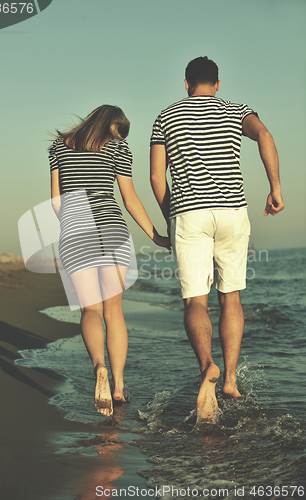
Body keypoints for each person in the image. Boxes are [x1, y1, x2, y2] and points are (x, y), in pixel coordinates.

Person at [150, 56, 284, 423]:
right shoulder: (237, 110)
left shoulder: (165, 117)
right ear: (218, 83)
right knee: (231, 297)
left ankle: (206, 365)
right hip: (232, 211)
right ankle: (230, 379)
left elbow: (157, 178)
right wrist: (275, 188)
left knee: (196, 299)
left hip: (189, 213)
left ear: (186, 82)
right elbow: (265, 135)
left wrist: (171, 218)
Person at [49, 105, 169, 418]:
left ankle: (98, 367)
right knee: (114, 311)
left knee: (91, 309)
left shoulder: (58, 147)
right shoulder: (118, 147)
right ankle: (117, 385)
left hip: (76, 230)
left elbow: (56, 203)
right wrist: (156, 235)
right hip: (112, 228)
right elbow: (129, 199)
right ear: (112, 126)